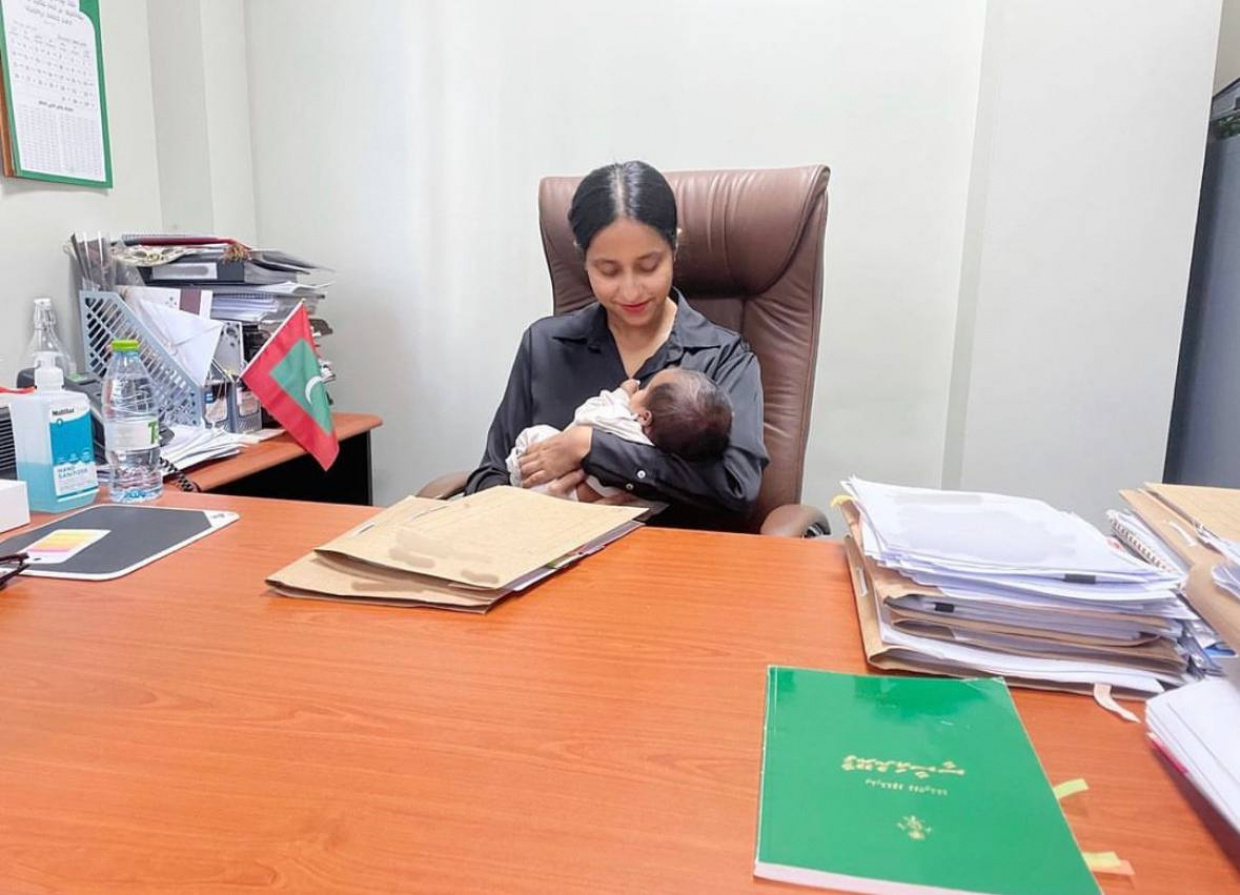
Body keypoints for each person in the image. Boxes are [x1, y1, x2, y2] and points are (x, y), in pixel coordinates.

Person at [465, 160, 768, 530]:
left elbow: (736, 491)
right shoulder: (545, 346)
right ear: (583, 259)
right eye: (608, 270)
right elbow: (489, 476)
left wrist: (590, 447)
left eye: (648, 266)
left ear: (674, 246)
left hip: (674, 559)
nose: (630, 290)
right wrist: (539, 509)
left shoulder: (724, 357)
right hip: (549, 554)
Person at [507, 368, 733, 503]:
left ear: (644, 417)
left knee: (536, 434)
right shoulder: (672, 463)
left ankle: (517, 473)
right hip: (613, 511)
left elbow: (586, 415)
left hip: (553, 487)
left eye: (645, 390)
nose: (639, 390)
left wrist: (622, 394)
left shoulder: (621, 422)